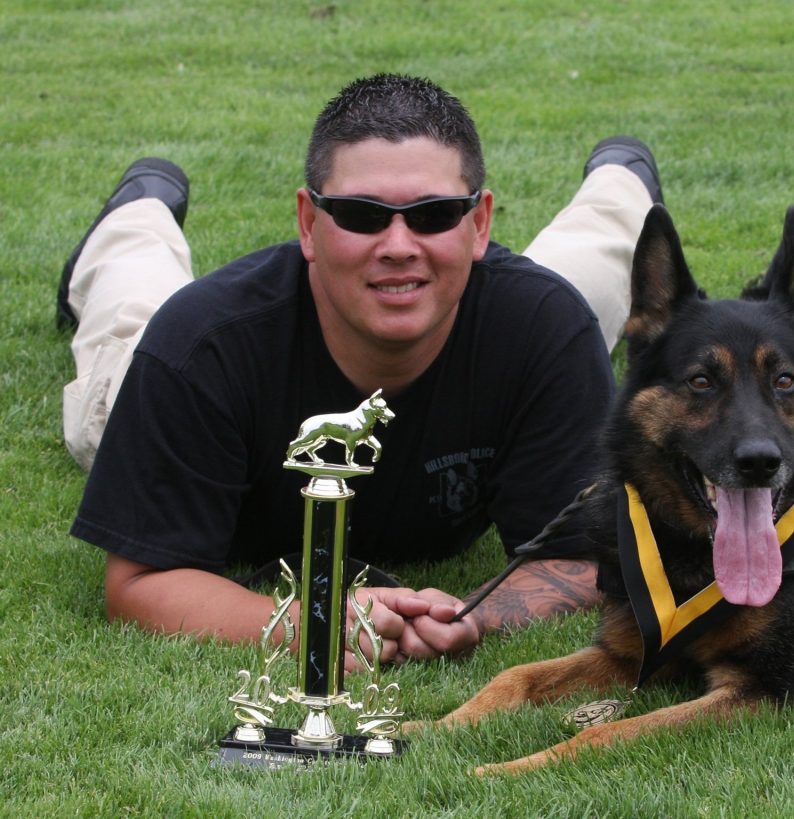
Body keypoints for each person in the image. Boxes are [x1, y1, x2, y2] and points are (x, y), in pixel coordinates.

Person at [60, 74, 662, 671]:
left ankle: (621, 180)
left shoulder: (544, 329)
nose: (398, 242)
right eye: (360, 214)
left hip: (487, 300)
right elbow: (139, 582)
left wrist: (472, 615)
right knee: (133, 317)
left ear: (479, 223)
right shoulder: (199, 350)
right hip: (183, 353)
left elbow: (586, 555)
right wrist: (312, 624)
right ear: (308, 223)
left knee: (577, 293)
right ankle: (137, 214)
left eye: (434, 213)